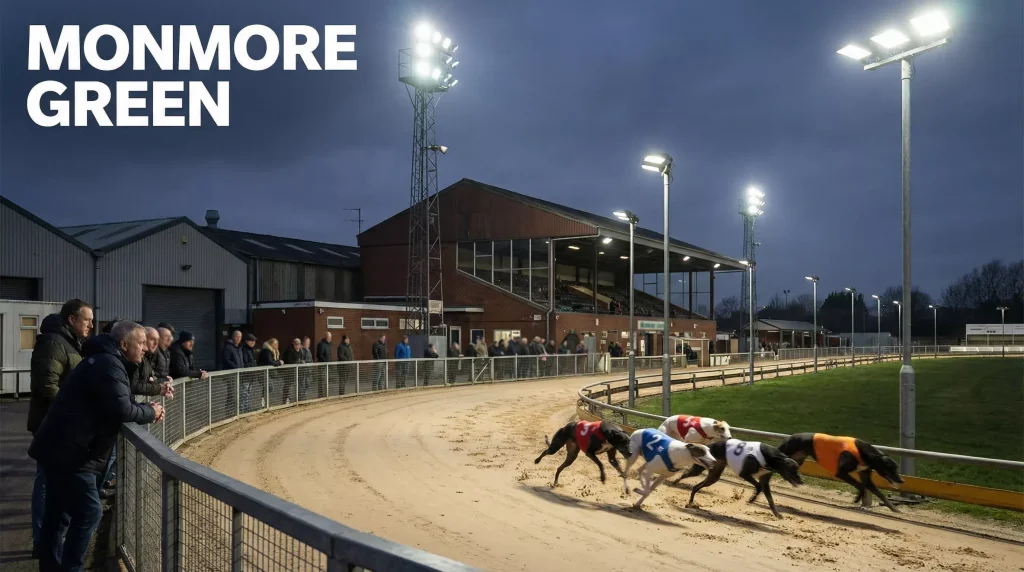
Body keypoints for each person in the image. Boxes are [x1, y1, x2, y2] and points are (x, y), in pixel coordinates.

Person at [29, 321, 164, 571]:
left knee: (58, 514)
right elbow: (122, 408)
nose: (146, 349)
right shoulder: (108, 364)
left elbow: (120, 398)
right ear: (124, 345)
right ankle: (70, 568)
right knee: (88, 513)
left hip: (63, 448)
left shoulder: (106, 361)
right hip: (72, 453)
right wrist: (151, 411)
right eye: (141, 343)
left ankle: (52, 567)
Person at [28, 299, 93, 558]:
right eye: (87, 320)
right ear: (71, 320)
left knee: (52, 485)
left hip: (61, 425)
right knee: (45, 484)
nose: (90, 325)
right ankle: (42, 541)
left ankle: (47, 540)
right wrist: (75, 411)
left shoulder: (70, 343)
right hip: (52, 426)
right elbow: (47, 386)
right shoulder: (55, 343)